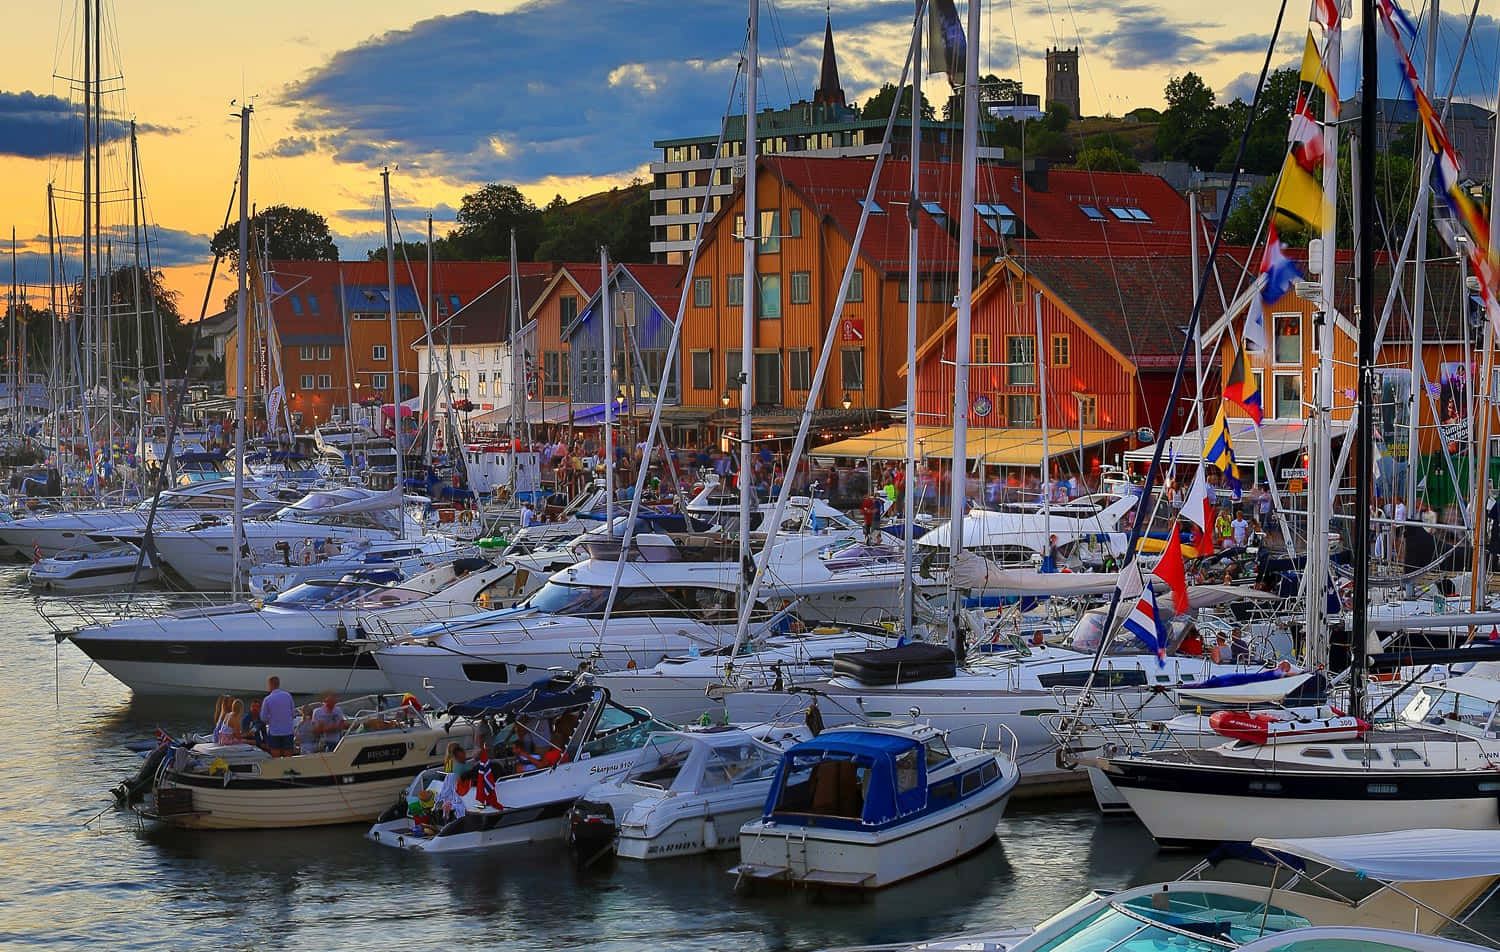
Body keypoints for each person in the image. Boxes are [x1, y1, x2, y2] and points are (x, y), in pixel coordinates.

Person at [261, 676, 297, 757]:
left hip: (275, 732)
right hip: (288, 731)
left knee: (276, 758)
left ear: (270, 685)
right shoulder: (288, 696)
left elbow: (263, 718)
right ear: (278, 684)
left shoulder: (267, 699)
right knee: (288, 758)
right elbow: (293, 713)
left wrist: (270, 719)